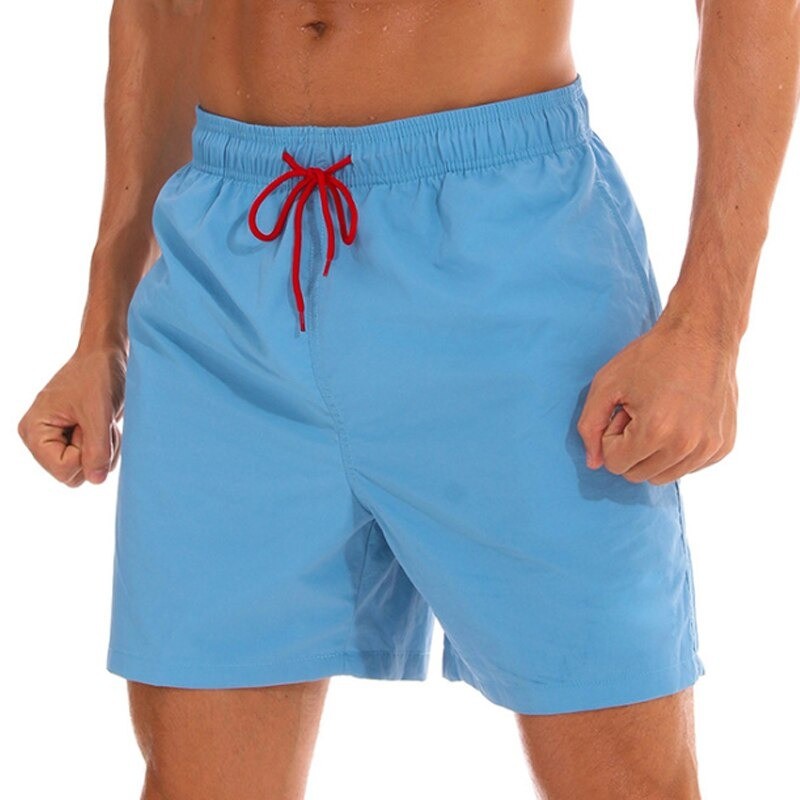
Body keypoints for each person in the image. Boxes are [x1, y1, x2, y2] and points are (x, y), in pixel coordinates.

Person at [17, 1, 799, 798]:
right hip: (225, 269)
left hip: (505, 259)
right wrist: (103, 329)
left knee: (626, 780)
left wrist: (711, 327)